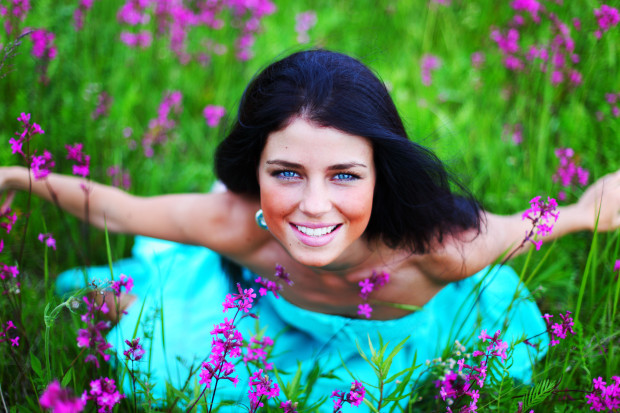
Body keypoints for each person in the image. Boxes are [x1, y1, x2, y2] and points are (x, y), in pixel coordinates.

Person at [2, 49, 620, 411]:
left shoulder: (445, 251)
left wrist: (596, 210)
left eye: (346, 175)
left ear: (383, 175)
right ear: (257, 173)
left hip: (392, 344)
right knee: (169, 362)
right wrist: (19, 178)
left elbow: (570, 217)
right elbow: (121, 211)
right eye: (287, 173)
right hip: (259, 318)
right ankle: (146, 297)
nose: (314, 207)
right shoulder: (243, 225)